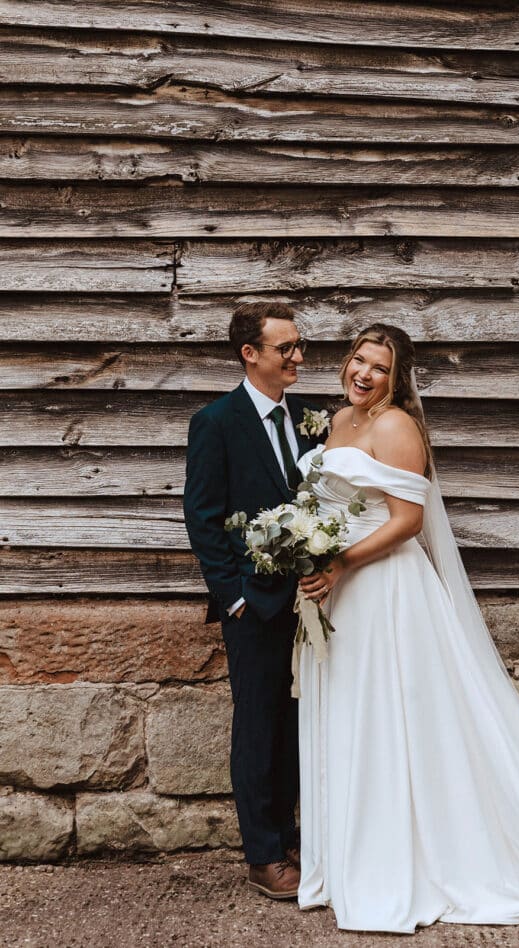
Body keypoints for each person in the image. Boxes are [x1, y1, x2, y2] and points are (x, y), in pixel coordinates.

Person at [295, 323, 519, 933]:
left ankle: (400, 860)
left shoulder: (396, 427)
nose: (363, 373)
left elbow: (407, 519)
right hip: (338, 591)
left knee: (390, 714)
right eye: (358, 359)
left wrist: (340, 561)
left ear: (397, 379)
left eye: (379, 367)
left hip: (383, 588)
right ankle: (351, 857)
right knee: (352, 710)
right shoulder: (339, 418)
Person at [183, 301, 324, 900]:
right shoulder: (216, 422)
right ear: (250, 354)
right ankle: (263, 855)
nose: (298, 357)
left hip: (311, 603)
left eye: (299, 345)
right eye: (285, 347)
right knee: (259, 726)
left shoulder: (311, 419)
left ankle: (295, 838)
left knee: (300, 723)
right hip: (254, 605)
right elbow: (202, 516)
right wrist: (234, 597)